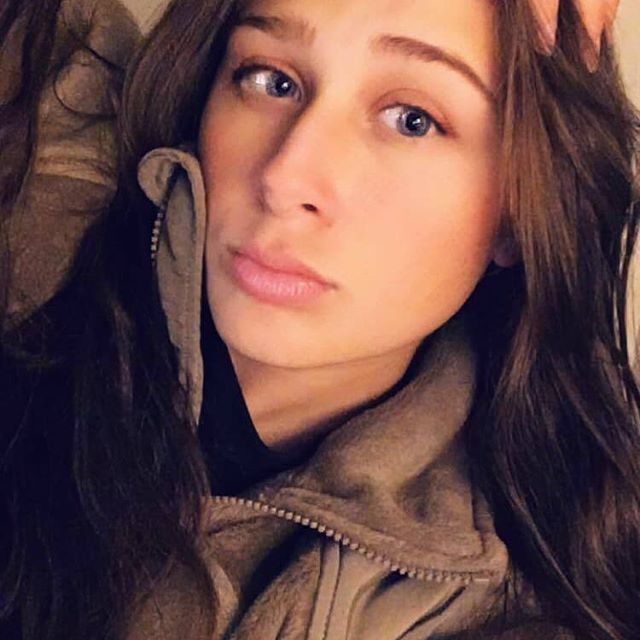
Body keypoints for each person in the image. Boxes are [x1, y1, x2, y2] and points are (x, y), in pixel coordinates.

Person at [0, 0, 638, 639]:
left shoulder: (510, 609)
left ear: (519, 211)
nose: (285, 176)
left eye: (412, 120)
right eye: (271, 80)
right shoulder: (45, 179)